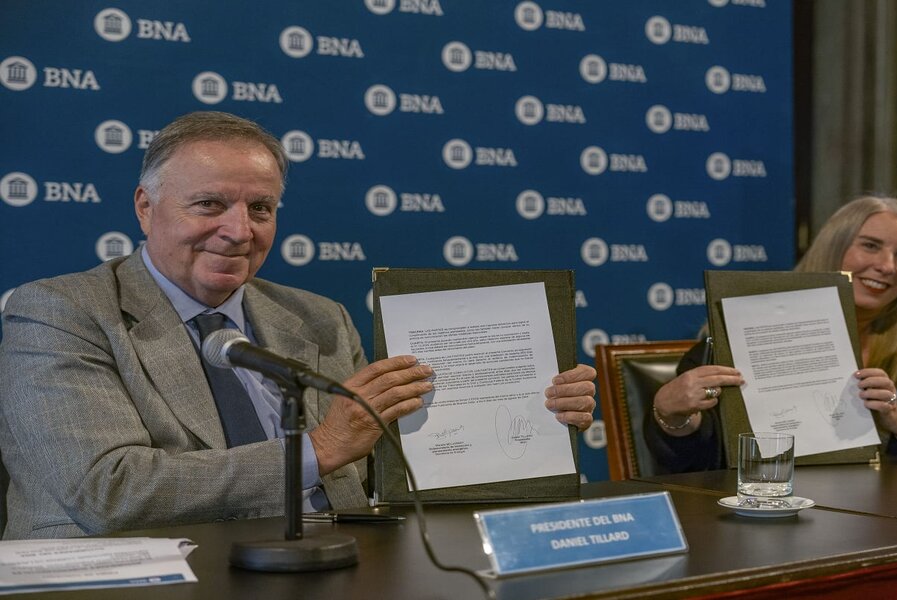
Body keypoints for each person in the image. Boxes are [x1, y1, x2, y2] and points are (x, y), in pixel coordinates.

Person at [0, 111, 596, 539]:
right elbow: (108, 491)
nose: (240, 230)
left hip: (339, 562)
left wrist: (525, 417)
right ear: (145, 207)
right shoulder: (62, 312)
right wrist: (319, 447)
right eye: (209, 204)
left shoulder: (318, 317)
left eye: (260, 208)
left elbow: (385, 466)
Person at [645, 196, 897, 473]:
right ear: (833, 248)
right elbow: (694, 456)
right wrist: (670, 413)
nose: (887, 266)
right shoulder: (742, 330)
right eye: (870, 246)